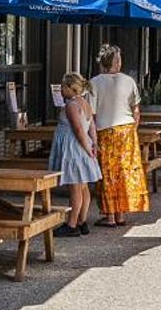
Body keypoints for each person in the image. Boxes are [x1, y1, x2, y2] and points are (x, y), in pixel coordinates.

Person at [89, 44, 150, 227]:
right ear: (117, 61)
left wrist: (92, 137)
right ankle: (122, 213)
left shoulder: (94, 82)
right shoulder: (129, 81)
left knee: (108, 172)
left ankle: (110, 216)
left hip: (104, 129)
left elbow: (91, 114)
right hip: (127, 129)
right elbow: (136, 109)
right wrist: (133, 129)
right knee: (125, 170)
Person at [46, 72, 101, 237]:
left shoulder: (71, 105)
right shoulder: (85, 103)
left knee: (75, 188)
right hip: (84, 148)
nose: (61, 89)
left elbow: (78, 129)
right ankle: (82, 221)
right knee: (83, 187)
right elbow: (91, 126)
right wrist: (94, 144)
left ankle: (71, 224)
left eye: (63, 86)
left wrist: (86, 147)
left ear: (71, 88)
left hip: (74, 149)